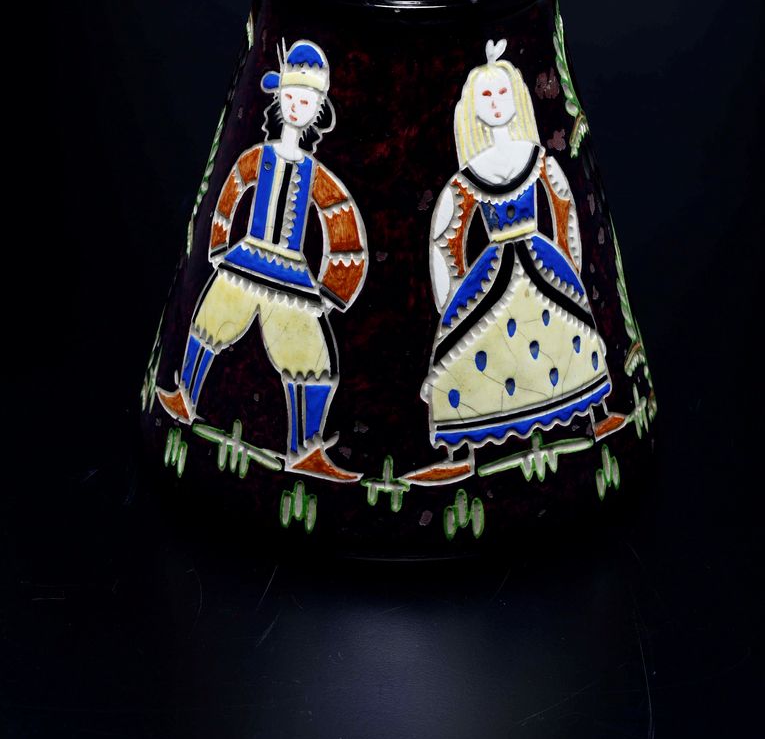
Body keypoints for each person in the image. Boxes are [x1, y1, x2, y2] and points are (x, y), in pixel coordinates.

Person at [405, 39, 623, 484]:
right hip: (492, 270)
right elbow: (446, 239)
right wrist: (451, 298)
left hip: (541, 259)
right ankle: (460, 453)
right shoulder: (468, 177)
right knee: (469, 348)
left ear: (518, 97)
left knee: (570, 329)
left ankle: (595, 417)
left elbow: (564, 212)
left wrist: (570, 265)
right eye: (486, 96)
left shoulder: (537, 160)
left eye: (503, 93)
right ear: (472, 109)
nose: (496, 102)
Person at [157, 39, 367, 482]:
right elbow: (231, 192)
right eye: (290, 98)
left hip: (291, 274)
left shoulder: (316, 174)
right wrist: (218, 248)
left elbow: (340, 222)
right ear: (278, 100)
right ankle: (184, 398)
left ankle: (304, 448)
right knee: (207, 325)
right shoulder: (258, 157)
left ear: (318, 111)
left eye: (305, 101)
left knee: (313, 361)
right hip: (246, 260)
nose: (296, 107)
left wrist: (334, 289)